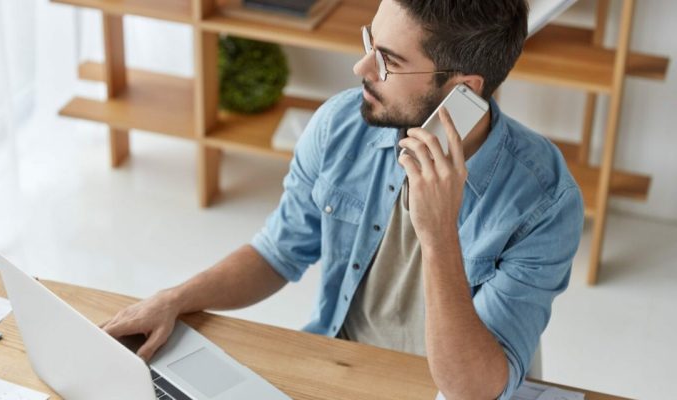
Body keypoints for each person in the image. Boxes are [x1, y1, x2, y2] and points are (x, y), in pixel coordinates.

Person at [101, 0, 584, 398]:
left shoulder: (543, 202)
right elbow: (277, 253)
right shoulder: (341, 125)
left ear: (462, 90)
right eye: (369, 41)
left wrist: (437, 236)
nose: (360, 67)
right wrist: (174, 299)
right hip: (339, 368)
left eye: (389, 61)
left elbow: (472, 389)